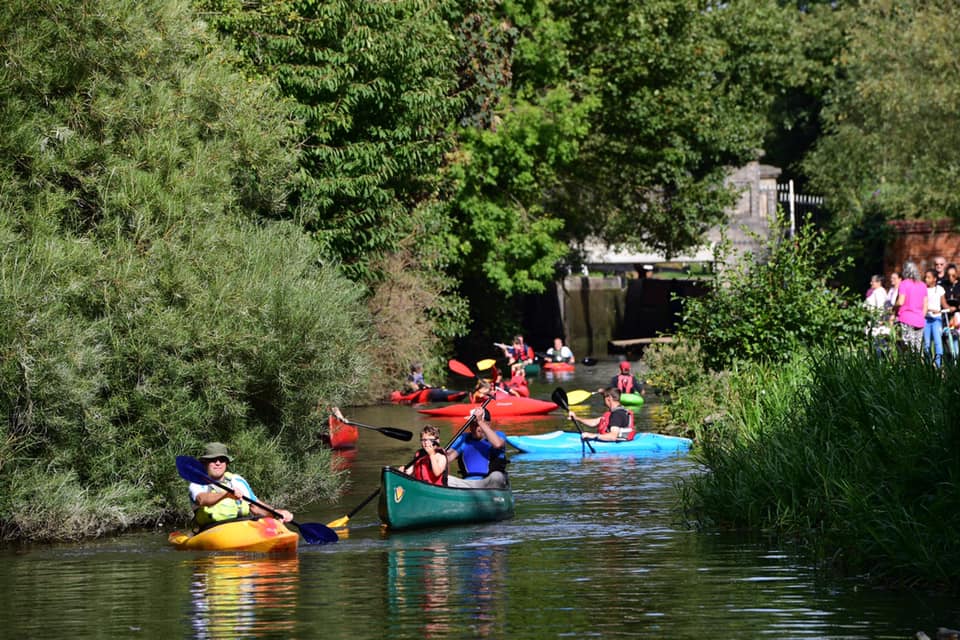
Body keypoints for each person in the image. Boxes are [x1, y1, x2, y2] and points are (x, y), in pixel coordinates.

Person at [188, 442, 293, 528]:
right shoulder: (197, 483)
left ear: (227, 463)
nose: (218, 463)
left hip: (242, 525)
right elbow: (201, 499)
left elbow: (255, 507)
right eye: (213, 459)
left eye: (222, 459)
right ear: (205, 463)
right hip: (212, 529)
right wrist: (226, 494)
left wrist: (276, 513)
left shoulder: (236, 480)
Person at [445, 407, 508, 489]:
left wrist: (480, 421)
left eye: (477, 425)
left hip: (490, 482)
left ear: (487, 424)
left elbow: (498, 444)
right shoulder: (464, 438)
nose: (474, 428)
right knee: (447, 479)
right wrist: (436, 453)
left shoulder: (498, 435)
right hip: (468, 483)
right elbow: (448, 457)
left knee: (496, 476)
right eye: (471, 424)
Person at [567, 388, 635, 442]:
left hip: (616, 450)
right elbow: (594, 422)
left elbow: (613, 436)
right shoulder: (616, 412)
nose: (603, 401)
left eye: (604, 398)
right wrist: (576, 418)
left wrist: (593, 435)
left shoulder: (617, 414)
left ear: (609, 398)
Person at [895, 261, 926, 353]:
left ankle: (907, 366)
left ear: (905, 271)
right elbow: (925, 304)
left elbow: (900, 301)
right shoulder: (922, 285)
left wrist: (894, 307)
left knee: (907, 348)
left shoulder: (904, 284)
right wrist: (921, 316)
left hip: (906, 319)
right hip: (919, 320)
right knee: (918, 348)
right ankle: (918, 366)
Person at [923, 268, 947, 367]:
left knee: (938, 342)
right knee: (926, 344)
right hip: (926, 320)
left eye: (929, 277)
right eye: (925, 277)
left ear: (934, 279)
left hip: (936, 319)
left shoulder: (939, 289)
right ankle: (928, 365)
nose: (926, 279)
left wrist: (952, 308)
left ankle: (938, 365)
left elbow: (944, 305)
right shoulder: (923, 289)